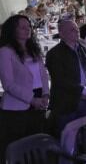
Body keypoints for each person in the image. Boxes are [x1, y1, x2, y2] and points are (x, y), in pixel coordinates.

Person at [0, 15, 50, 162]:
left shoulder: (33, 49)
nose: (27, 29)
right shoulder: (5, 52)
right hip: (16, 109)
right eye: (22, 27)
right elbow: (8, 84)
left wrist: (46, 95)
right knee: (18, 151)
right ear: (12, 30)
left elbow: (43, 75)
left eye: (28, 26)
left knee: (35, 148)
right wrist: (32, 99)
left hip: (38, 102)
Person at [46, 19, 86, 136]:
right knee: (67, 138)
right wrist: (83, 89)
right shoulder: (54, 54)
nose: (77, 31)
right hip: (66, 105)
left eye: (77, 29)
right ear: (62, 34)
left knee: (85, 138)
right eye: (72, 30)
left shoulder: (83, 49)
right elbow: (60, 79)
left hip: (85, 101)